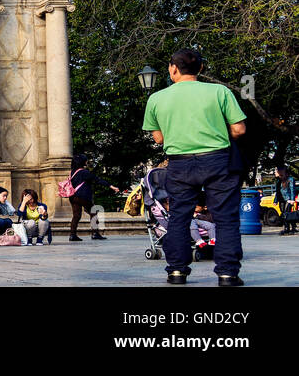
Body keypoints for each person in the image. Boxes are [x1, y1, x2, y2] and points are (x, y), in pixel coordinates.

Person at [142, 47, 247, 286]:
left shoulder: (156, 98)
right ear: (200, 68)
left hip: (179, 164)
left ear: (173, 69)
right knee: (226, 218)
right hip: (218, 160)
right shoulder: (219, 91)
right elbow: (239, 129)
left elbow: (159, 139)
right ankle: (227, 274)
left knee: (179, 218)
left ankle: (177, 272)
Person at [64, 154, 120, 241]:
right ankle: (95, 233)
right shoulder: (84, 172)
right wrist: (111, 186)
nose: (87, 162)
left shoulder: (72, 172)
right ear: (82, 162)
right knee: (94, 212)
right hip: (83, 196)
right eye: (85, 160)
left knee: (76, 215)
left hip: (73, 196)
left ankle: (72, 234)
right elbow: (97, 180)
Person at [277, 164, 297, 235]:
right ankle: (288, 228)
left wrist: (292, 200)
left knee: (288, 214)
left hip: (288, 199)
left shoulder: (290, 179)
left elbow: (292, 190)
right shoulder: (279, 180)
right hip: (282, 200)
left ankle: (290, 228)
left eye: (279, 171)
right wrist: (276, 200)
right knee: (284, 214)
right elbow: (278, 191)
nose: (277, 172)